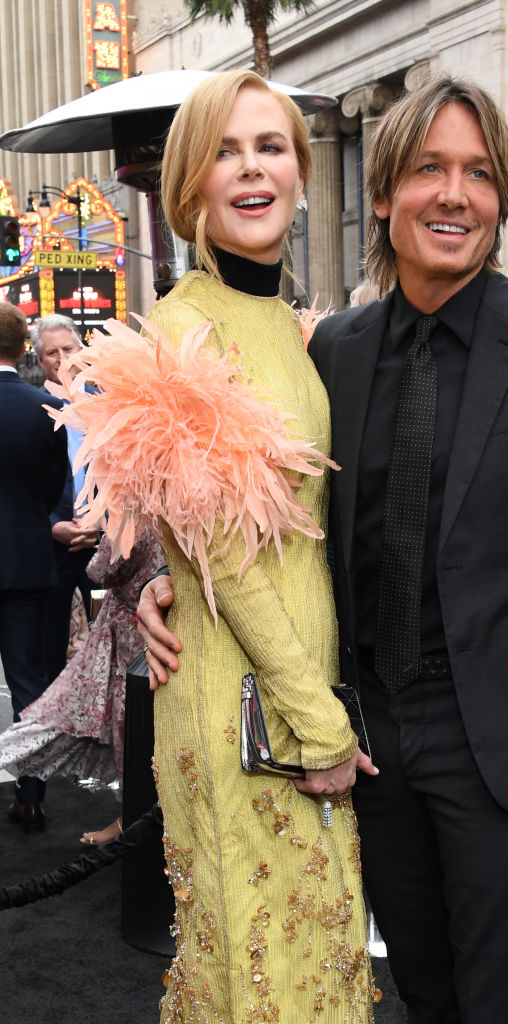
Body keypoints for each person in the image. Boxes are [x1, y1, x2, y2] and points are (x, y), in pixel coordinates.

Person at [140, 76, 508, 1022]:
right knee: (417, 991)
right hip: (367, 733)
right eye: (429, 169)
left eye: (478, 174)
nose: (454, 195)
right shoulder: (331, 349)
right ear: (384, 193)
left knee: (501, 999)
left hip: (504, 742)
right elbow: (263, 512)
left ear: (500, 198)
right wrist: (166, 588)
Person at [55, 69, 378, 1022]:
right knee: (260, 971)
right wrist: (315, 720)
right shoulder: (184, 330)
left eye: (270, 147)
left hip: (293, 684)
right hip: (248, 703)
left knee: (309, 950)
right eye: (226, 151)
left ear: (302, 173)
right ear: (191, 182)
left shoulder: (289, 325)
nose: (251, 170)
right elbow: (228, 563)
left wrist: (162, 585)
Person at [0, 529, 165, 844]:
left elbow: (102, 569)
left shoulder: (134, 513)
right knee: (148, 727)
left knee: (123, 728)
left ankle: (133, 819)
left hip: (129, 636)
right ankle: (138, 816)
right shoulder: (178, 512)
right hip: (157, 629)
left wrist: (104, 533)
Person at [0, 301, 69, 825]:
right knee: (29, 679)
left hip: (24, 556)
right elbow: (52, 490)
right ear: (23, 349)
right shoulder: (44, 410)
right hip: (26, 559)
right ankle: (31, 794)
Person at [31, 314, 100, 683]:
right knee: (50, 646)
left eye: (67, 349)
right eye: (51, 352)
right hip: (53, 542)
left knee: (111, 642)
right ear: (41, 361)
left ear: (81, 350)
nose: (61, 358)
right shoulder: (33, 409)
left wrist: (100, 525)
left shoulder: (110, 403)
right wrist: (51, 525)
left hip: (105, 540)